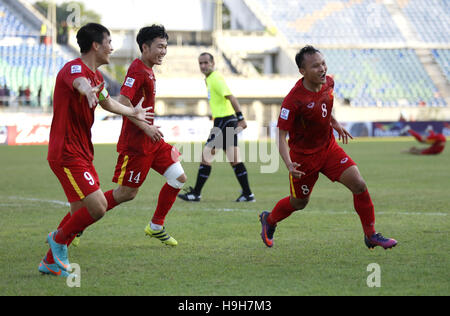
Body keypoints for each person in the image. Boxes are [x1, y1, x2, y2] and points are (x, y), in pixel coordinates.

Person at [39, 23, 153, 277]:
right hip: (67, 153)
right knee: (98, 207)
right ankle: (57, 240)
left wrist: (132, 111)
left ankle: (49, 261)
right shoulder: (76, 68)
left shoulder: (98, 78)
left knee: (79, 212)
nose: (112, 48)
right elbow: (78, 81)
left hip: (81, 153)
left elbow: (108, 102)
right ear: (96, 45)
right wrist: (85, 89)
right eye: (109, 42)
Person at [259, 46, 397, 250]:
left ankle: (371, 235)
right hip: (304, 159)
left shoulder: (328, 82)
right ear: (302, 71)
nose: (322, 68)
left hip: (328, 148)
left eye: (323, 63)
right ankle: (269, 220)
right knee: (299, 203)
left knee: (359, 184)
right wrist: (289, 164)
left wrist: (334, 122)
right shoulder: (293, 101)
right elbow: (280, 135)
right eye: (315, 66)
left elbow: (325, 105)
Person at [106, 25, 187, 246]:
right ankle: (79, 221)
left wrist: (150, 129)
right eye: (160, 46)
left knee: (178, 177)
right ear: (145, 47)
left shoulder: (148, 69)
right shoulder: (137, 69)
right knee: (126, 194)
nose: (163, 51)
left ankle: (156, 226)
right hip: (136, 144)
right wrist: (146, 127)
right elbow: (122, 102)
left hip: (152, 141)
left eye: (165, 47)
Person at [178, 52, 254, 202]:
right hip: (224, 121)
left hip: (224, 121)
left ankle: (196, 193)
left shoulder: (215, 79)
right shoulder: (208, 80)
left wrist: (241, 119)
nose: (203, 66)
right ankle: (248, 194)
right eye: (201, 63)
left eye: (206, 62)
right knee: (234, 159)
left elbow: (231, 97)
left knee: (206, 156)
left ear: (213, 63)